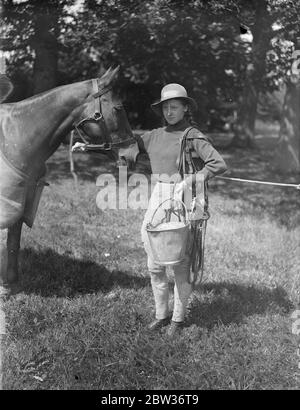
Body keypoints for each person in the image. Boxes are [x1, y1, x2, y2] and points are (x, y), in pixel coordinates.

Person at [119, 83, 227, 337]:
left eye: (174, 107)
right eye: (166, 107)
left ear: (185, 108)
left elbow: (218, 163)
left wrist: (191, 180)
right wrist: (91, 145)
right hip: (158, 195)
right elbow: (125, 148)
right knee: (153, 260)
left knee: (179, 261)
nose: (169, 111)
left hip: (183, 196)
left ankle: (178, 319)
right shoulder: (153, 135)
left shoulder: (192, 136)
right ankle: (161, 315)